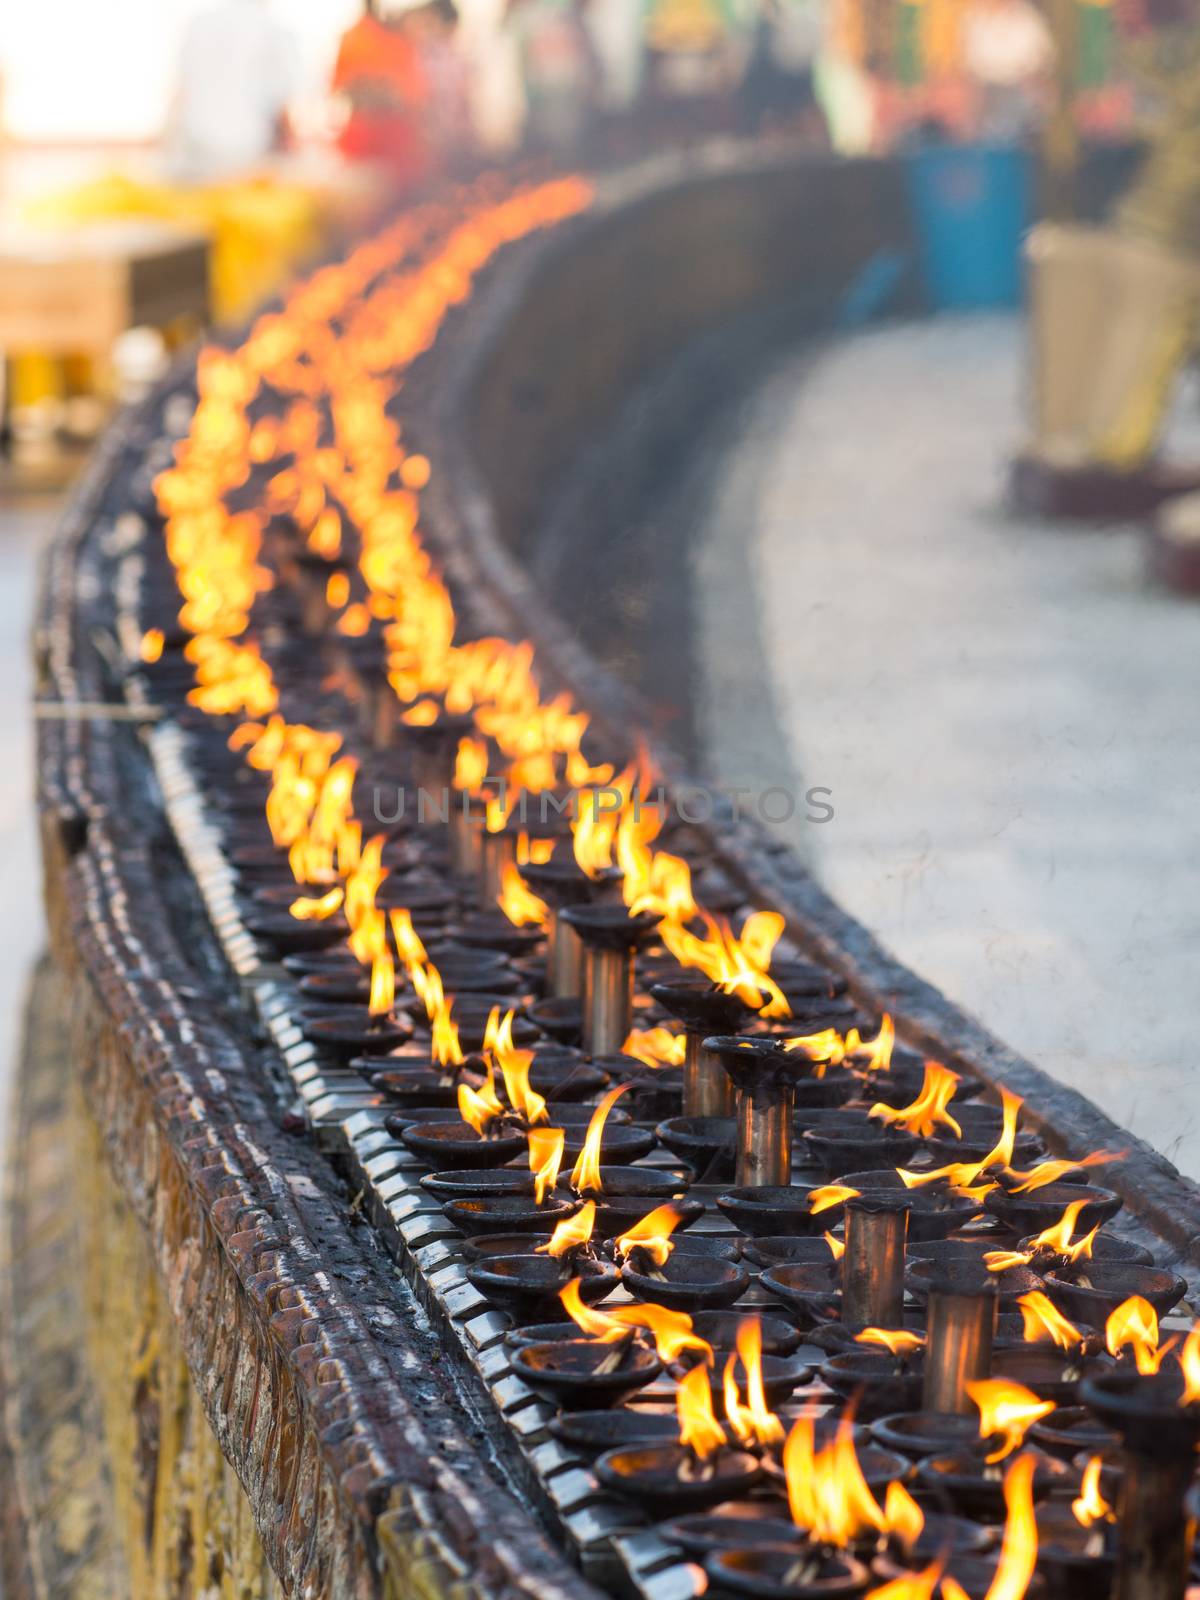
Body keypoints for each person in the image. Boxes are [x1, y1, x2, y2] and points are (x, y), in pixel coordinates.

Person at [170, 0, 298, 179]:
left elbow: (180, 92)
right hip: (249, 150)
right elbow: (284, 103)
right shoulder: (275, 31)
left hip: (195, 143)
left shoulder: (199, 23)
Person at [331, 0, 435, 187]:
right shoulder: (354, 38)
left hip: (401, 154)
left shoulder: (404, 40)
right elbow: (342, 90)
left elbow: (415, 98)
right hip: (360, 152)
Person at [962, 0, 1055, 140]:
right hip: (983, 87)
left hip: (1020, 84)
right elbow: (967, 61)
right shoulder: (974, 17)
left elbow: (1044, 58)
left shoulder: (1028, 18)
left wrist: (1033, 78)